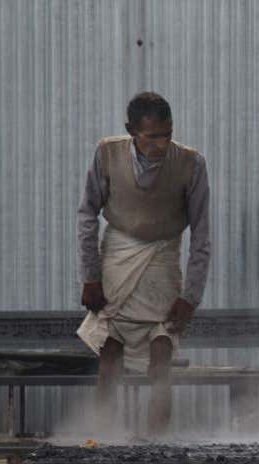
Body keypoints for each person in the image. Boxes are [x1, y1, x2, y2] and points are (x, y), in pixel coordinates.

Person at [76, 91, 212, 436]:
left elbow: (201, 236)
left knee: (161, 358)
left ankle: (157, 447)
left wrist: (190, 298)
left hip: (162, 262)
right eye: (152, 137)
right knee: (109, 358)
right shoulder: (108, 153)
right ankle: (102, 438)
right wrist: (90, 277)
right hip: (118, 260)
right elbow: (87, 214)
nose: (162, 144)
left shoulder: (191, 164)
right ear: (131, 130)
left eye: (167, 134)